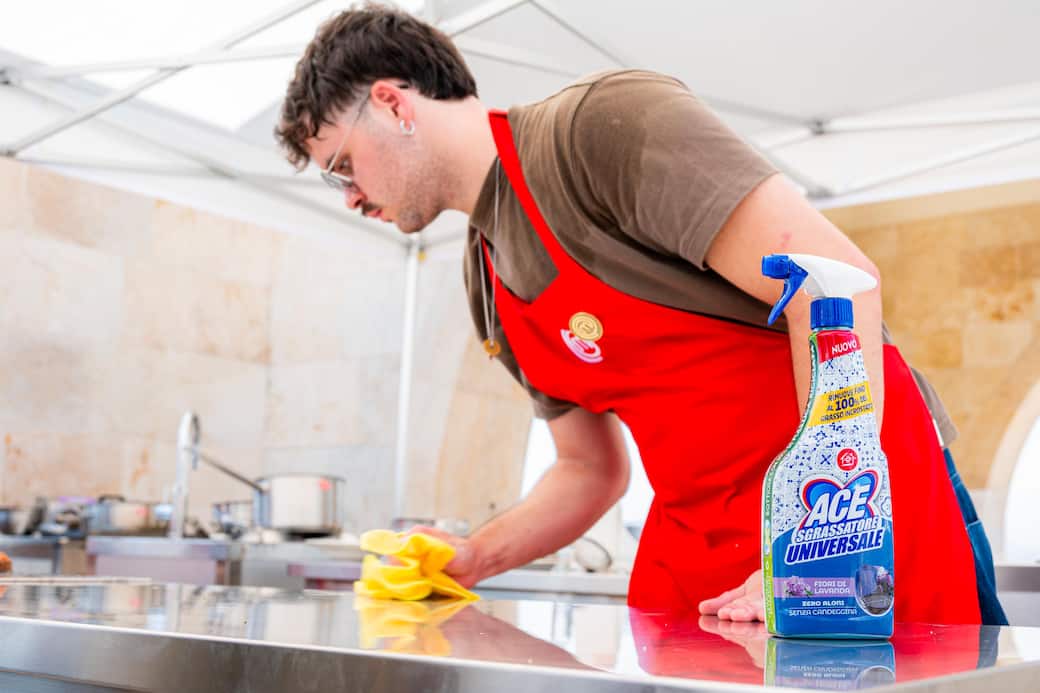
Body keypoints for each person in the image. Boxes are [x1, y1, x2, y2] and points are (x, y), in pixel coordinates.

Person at [275, 4, 1006, 625]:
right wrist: (470, 557)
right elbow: (588, 468)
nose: (351, 198)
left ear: (394, 103)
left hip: (854, 516)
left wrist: (821, 547)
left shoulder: (596, 131)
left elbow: (833, 284)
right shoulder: (486, 281)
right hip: (710, 549)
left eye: (342, 166)